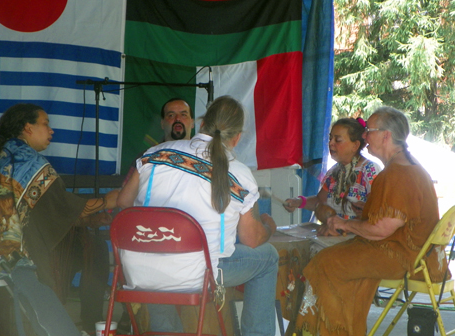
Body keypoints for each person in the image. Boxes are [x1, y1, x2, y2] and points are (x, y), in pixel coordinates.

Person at [117, 96, 280, 336]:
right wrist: (269, 227)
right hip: (198, 276)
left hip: (137, 271)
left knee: (154, 254)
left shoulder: (154, 154)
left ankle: (165, 331)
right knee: (269, 258)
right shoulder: (240, 173)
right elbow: (252, 239)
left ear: (201, 124)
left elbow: (123, 205)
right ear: (237, 138)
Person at [0, 103, 120, 335]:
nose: (51, 130)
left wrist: (86, 221)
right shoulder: (27, 160)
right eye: (45, 124)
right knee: (94, 248)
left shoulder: (3, 153)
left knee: (84, 243)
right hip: (11, 256)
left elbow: (42, 211)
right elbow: (60, 206)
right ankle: (89, 323)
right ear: (28, 127)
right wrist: (109, 201)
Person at [294, 107, 449, 336]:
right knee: (334, 260)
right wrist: (365, 211)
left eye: (369, 131)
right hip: (410, 253)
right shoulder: (404, 166)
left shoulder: (398, 173)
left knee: (325, 263)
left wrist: (343, 224)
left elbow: (380, 230)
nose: (364, 136)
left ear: (386, 135)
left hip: (403, 256)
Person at [284, 118, 382, 225]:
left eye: (338, 140)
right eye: (330, 138)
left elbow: (379, 210)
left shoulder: (370, 170)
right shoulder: (334, 172)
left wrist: (366, 212)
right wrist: (298, 202)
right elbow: (320, 201)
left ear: (355, 145)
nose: (331, 143)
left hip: (358, 236)